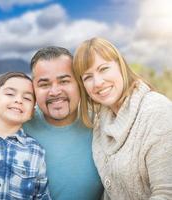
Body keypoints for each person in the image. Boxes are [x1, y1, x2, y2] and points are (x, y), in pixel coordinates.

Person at [73, 37, 172, 199]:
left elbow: (167, 194)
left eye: (103, 69)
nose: (97, 82)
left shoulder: (157, 111)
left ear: (121, 66)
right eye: (87, 77)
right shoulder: (101, 121)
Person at [23, 46, 103, 199]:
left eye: (64, 81)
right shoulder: (18, 127)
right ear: (33, 89)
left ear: (79, 84)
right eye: (44, 84)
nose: (55, 91)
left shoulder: (100, 125)